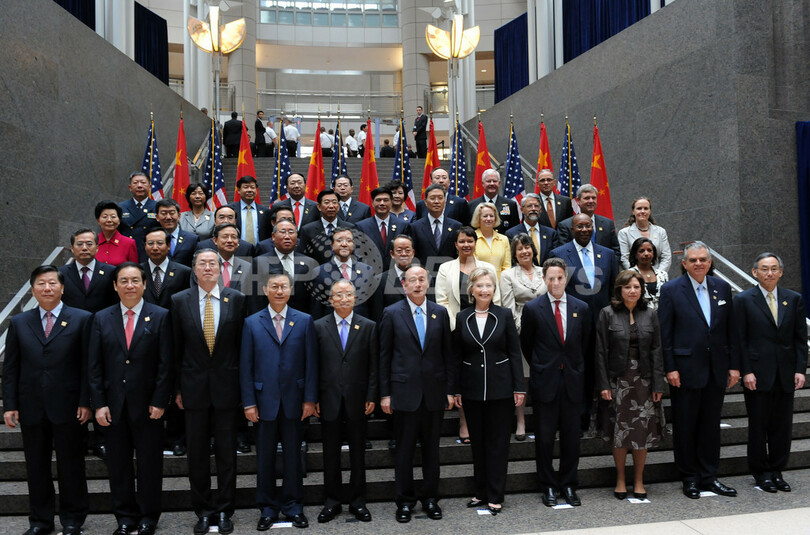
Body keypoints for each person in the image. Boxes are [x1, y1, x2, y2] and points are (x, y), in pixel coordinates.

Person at [3, 265, 92, 535]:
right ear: (33, 290)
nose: (47, 288)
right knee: (36, 466)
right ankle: (40, 521)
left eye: (52, 283)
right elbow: (11, 368)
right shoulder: (19, 322)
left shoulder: (82, 319)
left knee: (71, 465)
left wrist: (85, 401)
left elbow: (88, 365)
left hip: (69, 405)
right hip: (31, 405)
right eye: (41, 283)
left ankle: (73, 519)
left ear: (62, 288)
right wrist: (10, 405)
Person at [88, 262, 172, 535]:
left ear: (145, 284)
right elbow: (94, 366)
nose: (130, 285)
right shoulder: (101, 318)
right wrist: (99, 404)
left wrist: (160, 401)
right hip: (113, 407)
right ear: (115, 286)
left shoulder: (160, 316)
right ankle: (124, 517)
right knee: (118, 465)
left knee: (150, 465)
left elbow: (165, 364)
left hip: (148, 406)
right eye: (123, 281)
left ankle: (148, 517)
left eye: (135, 280)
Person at [658, 241, 740, 499]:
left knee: (710, 426)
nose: (698, 263)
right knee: (685, 426)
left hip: (716, 368)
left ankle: (709, 476)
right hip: (684, 371)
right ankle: (690, 478)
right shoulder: (671, 290)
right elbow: (665, 334)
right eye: (693, 260)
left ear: (709, 262)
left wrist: (734, 365)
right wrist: (670, 367)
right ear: (684, 263)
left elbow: (731, 329)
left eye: (703, 259)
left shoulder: (722, 287)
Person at [172, 249, 246, 535]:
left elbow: (242, 347)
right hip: (193, 389)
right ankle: (203, 511)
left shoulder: (236, 299)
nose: (207, 267)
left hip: (227, 387)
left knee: (227, 454)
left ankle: (225, 509)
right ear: (193, 269)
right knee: (197, 455)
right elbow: (175, 348)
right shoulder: (179, 300)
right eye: (201, 263)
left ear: (220, 269)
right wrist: (177, 388)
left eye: (212, 263)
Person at [240, 271, 317, 530]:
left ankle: (294, 506)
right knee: (265, 458)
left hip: (295, 400)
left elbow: (311, 364)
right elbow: (246, 366)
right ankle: (268, 509)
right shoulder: (252, 322)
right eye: (274, 286)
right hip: (263, 402)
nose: (280, 291)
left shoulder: (304, 321)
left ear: (291, 290)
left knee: (294, 457)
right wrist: (249, 402)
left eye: (284, 286)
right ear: (265, 290)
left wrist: (309, 399)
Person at [379, 265, 455, 523]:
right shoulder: (392, 313)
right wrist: (385, 394)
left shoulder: (439, 313)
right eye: (413, 280)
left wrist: (450, 390)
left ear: (428, 283)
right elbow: (384, 357)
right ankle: (405, 501)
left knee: (432, 451)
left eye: (422, 279)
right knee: (404, 452)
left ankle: (431, 499)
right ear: (404, 285)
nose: (418, 284)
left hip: (434, 393)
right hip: (404, 393)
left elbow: (448, 355)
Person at [521, 257, 592, 507]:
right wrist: (543, 366)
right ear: (544, 279)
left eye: (560, 277)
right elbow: (527, 345)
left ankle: (569, 484)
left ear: (566, 278)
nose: (555, 282)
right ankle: (548, 485)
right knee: (544, 439)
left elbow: (585, 344)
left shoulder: (581, 308)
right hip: (545, 382)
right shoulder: (533, 309)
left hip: (572, 381)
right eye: (551, 278)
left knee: (572, 438)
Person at [453, 268, 524, 514]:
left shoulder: (504, 315)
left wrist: (519, 386)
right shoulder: (462, 317)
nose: (484, 290)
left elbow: (514, 352)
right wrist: (456, 389)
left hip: (501, 389)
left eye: (489, 285)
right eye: (480, 285)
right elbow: (457, 355)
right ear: (471, 289)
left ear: (494, 289)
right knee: (478, 444)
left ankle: (495, 494)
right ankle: (480, 492)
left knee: (498, 444)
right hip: (472, 389)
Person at [735, 253, 807, 493]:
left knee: (782, 427)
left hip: (785, 374)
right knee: (758, 426)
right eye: (764, 269)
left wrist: (800, 370)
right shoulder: (743, 300)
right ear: (755, 272)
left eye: (774, 269)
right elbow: (740, 340)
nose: (769, 273)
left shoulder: (793, 299)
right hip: (757, 375)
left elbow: (800, 339)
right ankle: (761, 473)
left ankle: (777, 470)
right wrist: (746, 371)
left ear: (781, 272)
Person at [595, 270, 666, 501]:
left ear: (642, 289)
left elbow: (657, 351)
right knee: (619, 431)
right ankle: (620, 479)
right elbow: (600, 351)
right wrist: (603, 384)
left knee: (641, 432)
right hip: (617, 380)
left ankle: (638, 480)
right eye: (627, 287)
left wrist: (658, 384)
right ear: (620, 290)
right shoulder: (607, 313)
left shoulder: (650, 314)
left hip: (644, 380)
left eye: (636, 287)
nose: (632, 291)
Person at [314, 280, 378, 523]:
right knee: (330, 454)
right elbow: (313, 365)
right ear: (331, 300)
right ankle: (332, 502)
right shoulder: (318, 326)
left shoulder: (368, 326)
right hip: (328, 399)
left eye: (348, 294)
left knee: (358, 454)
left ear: (355, 298)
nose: (343, 299)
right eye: (338, 295)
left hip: (358, 399)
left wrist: (371, 395)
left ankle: (357, 501)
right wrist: (314, 397)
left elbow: (374, 366)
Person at [549, 213, 619, 430]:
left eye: (588, 226)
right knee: (578, 374)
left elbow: (614, 291)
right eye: (579, 226)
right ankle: (578, 421)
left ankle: (603, 421)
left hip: (603, 324)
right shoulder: (559, 254)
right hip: (574, 327)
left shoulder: (608, 255)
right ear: (572, 229)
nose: (584, 230)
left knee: (603, 372)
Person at [500, 233, 547, 440]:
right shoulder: (508, 275)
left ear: (533, 250)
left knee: (544, 377)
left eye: (527, 247)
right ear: (514, 253)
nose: (524, 251)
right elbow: (508, 308)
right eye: (519, 248)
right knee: (523, 378)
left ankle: (543, 421)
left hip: (547, 332)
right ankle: (521, 421)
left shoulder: (545, 271)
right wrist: (527, 332)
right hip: (521, 332)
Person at [436, 227, 501, 331]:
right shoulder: (445, 268)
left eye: (470, 241)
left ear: (475, 243)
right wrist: (456, 326)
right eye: (462, 241)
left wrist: (488, 324)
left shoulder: (489, 268)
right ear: (456, 244)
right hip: (455, 327)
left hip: (485, 326)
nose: (466, 245)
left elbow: (496, 299)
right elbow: (442, 301)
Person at [251, 220, 318, 315]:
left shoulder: (309, 263)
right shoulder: (259, 262)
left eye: (291, 232)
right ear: (273, 236)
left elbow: (313, 300)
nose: (287, 236)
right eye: (282, 232)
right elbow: (255, 300)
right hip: (269, 317)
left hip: (301, 319)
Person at [310, 228, 376, 320]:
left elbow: (373, 306)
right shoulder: (319, 272)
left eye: (349, 241)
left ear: (353, 244)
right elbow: (316, 309)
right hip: (331, 325)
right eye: (339, 240)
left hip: (361, 325)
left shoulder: (367, 271)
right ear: (332, 245)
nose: (344, 244)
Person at [59, 228, 118, 314]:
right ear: (72, 248)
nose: (84, 248)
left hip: (102, 320)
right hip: (72, 320)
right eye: (79, 244)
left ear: (97, 248)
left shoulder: (111, 271)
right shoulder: (61, 273)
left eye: (89, 244)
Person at [405, 184, 461, 271]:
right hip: (424, 274)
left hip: (449, 273)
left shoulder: (456, 226)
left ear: (445, 201)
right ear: (425, 202)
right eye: (432, 198)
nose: (436, 201)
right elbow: (413, 255)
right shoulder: (415, 227)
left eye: (440, 198)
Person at [556, 184, 620, 257]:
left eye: (593, 198)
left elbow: (616, 251)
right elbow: (563, 253)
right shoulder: (565, 225)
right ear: (578, 201)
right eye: (587, 198)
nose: (591, 201)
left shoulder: (607, 223)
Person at [297, 189, 356, 265]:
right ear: (319, 206)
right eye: (327, 202)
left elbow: (355, 253)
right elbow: (304, 256)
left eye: (334, 202)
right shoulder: (308, 230)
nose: (331, 206)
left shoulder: (350, 228)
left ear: (338, 206)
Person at [355, 186, 406, 271]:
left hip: (396, 273)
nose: (382, 203)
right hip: (371, 273)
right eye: (378, 200)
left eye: (386, 200)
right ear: (372, 203)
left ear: (391, 203)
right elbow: (359, 253)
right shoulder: (361, 226)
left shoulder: (402, 226)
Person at [141, 228, 192, 312]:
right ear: (145, 246)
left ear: (168, 245)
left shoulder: (184, 272)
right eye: (150, 243)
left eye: (160, 243)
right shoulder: (138, 271)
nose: (155, 248)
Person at [617, 197, 672, 272]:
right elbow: (624, 259)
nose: (642, 211)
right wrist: (637, 275)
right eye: (639, 208)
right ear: (633, 211)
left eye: (646, 208)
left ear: (650, 211)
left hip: (658, 275)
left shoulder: (661, 231)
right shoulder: (624, 233)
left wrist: (659, 274)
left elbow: (666, 257)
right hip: (634, 276)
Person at [505, 193, 559, 265]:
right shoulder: (511, 234)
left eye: (536, 206)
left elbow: (555, 259)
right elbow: (512, 260)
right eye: (529, 206)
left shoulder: (551, 233)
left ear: (540, 210)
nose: (533, 209)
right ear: (522, 210)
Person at [118, 171, 160, 262]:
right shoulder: (121, 207)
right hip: (127, 254)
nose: (139, 186)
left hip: (150, 254)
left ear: (149, 187)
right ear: (130, 188)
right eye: (135, 183)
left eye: (143, 183)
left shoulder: (157, 207)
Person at [472, 203, 512, 277]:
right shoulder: (472, 238)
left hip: (500, 282)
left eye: (491, 216)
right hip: (478, 281)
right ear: (478, 218)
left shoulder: (504, 239)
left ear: (495, 218)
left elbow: (507, 266)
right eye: (485, 216)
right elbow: (471, 266)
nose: (488, 219)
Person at [155, 198, 199, 267]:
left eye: (172, 213)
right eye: (164, 213)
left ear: (179, 216)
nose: (168, 217)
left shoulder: (192, 239)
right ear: (157, 217)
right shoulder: (151, 239)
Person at [228, 176, 271, 245]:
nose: (250, 190)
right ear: (238, 190)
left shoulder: (266, 212)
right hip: (237, 248)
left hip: (260, 250)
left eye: (252, 187)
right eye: (246, 187)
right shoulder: (230, 210)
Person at [628, 237, 668, 310]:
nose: (646, 254)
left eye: (649, 250)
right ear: (635, 254)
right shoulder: (629, 274)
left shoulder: (663, 275)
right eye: (641, 251)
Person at [96, 200, 139, 266]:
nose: (109, 220)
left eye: (113, 217)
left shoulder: (129, 243)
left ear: (119, 220)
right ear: (98, 221)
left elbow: (134, 268)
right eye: (105, 217)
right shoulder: (93, 242)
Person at [212, 223, 251, 294]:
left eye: (234, 237)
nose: (230, 240)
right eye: (225, 237)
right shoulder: (205, 266)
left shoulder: (247, 267)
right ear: (215, 240)